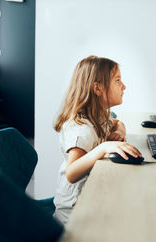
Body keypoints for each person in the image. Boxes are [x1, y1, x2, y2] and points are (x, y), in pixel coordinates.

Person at [52, 55, 142, 224]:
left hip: (89, 197)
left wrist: (120, 128)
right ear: (98, 88)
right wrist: (103, 148)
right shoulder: (82, 128)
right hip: (74, 213)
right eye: (117, 80)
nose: (124, 86)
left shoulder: (98, 116)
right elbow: (71, 173)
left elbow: (116, 121)